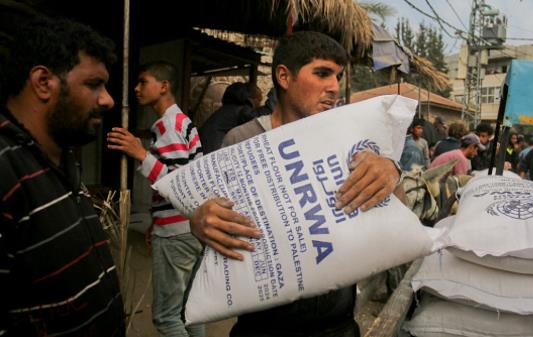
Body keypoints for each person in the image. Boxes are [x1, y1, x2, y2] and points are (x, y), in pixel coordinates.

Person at [191, 31, 404, 337]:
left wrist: (391, 171)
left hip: (338, 325)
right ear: (284, 77)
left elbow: (399, 215)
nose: (333, 87)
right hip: (262, 327)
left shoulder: (350, 141)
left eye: (338, 75)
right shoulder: (243, 141)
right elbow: (216, 229)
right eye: (321, 73)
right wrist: (200, 223)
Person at [0, 16, 125, 336]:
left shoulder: (60, 157)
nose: (108, 99)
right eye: (93, 83)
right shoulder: (5, 172)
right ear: (43, 82)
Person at [106, 62, 204, 337]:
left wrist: (140, 154)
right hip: (188, 225)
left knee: (166, 317)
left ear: (163, 86)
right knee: (191, 310)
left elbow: (179, 182)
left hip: (177, 231)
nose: (136, 89)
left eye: (142, 82)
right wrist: (155, 220)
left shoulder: (170, 126)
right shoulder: (180, 122)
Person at [199, 82, 261, 154]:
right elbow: (258, 119)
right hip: (212, 145)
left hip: (205, 141)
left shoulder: (229, 109)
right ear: (251, 99)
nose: (260, 103)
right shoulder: (242, 110)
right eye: (259, 99)